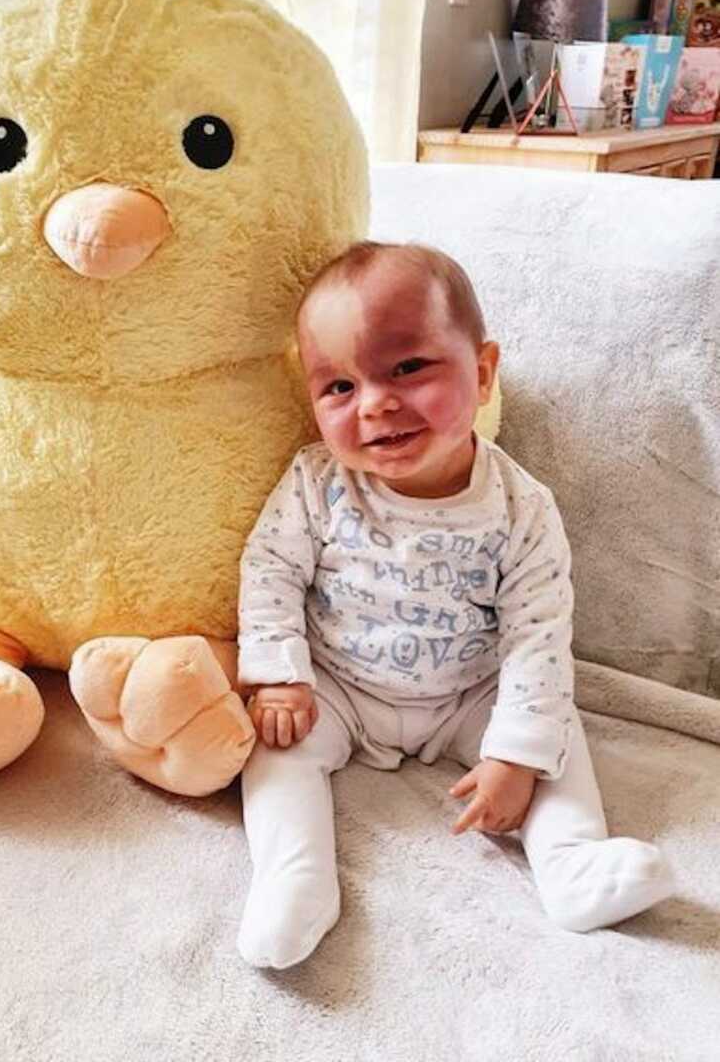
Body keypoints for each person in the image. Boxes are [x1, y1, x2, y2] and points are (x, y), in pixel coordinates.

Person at [236, 241, 676, 969]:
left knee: (555, 729)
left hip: (471, 692)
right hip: (340, 686)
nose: (375, 403)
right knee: (273, 750)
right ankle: (295, 878)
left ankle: (570, 862)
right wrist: (279, 673)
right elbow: (269, 569)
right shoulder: (316, 482)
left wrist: (515, 755)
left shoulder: (522, 509)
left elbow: (537, 640)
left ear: (482, 371)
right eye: (338, 387)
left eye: (407, 368)